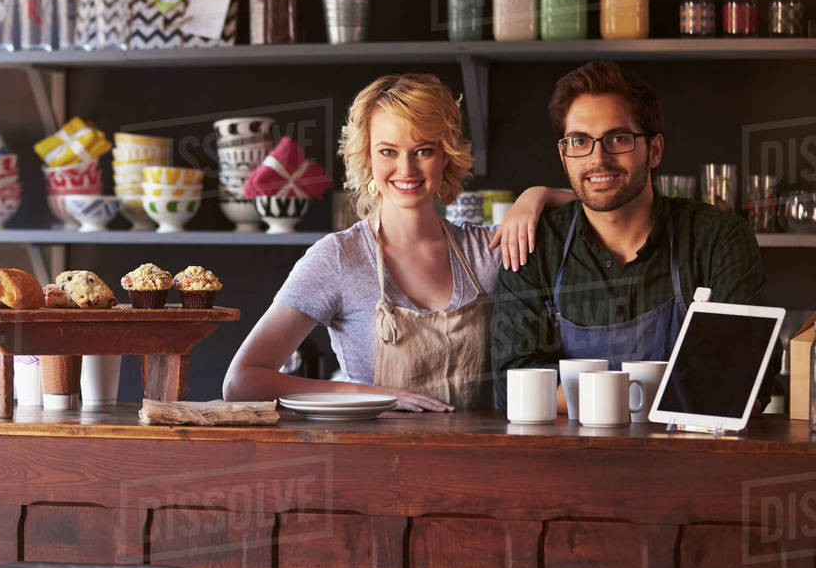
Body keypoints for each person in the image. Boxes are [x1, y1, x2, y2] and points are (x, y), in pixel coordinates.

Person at [223, 73, 573, 412]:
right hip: (372, 464)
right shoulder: (337, 258)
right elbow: (242, 382)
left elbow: (603, 207)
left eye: (423, 150)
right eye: (388, 151)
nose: (406, 169)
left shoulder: (487, 251)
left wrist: (534, 196)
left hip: (474, 462)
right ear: (368, 157)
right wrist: (371, 395)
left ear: (446, 154)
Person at [490, 60, 768, 408]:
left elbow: (745, 376)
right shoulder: (535, 244)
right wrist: (662, 391)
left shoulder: (717, 239)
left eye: (618, 138)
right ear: (564, 156)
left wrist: (598, 396)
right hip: (565, 459)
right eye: (579, 141)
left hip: (687, 455)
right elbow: (510, 385)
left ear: (654, 150)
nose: (598, 158)